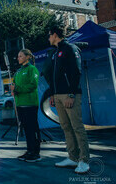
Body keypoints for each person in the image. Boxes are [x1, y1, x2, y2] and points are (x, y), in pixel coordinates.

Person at [45, 25, 90, 174]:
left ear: (56, 35)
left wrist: (71, 94)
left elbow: (76, 72)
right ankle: (72, 157)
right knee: (65, 127)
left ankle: (84, 161)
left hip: (70, 95)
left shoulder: (70, 49)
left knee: (77, 127)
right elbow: (53, 77)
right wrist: (52, 94)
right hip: (57, 96)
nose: (48, 37)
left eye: (50, 35)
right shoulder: (54, 53)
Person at [11, 49, 41, 162]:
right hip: (20, 104)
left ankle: (36, 153)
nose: (18, 58)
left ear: (27, 57)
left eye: (20, 56)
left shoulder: (32, 69)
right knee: (27, 129)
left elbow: (33, 85)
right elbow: (14, 84)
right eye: (18, 56)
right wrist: (13, 89)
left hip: (30, 104)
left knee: (32, 128)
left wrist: (17, 88)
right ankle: (29, 150)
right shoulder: (18, 71)